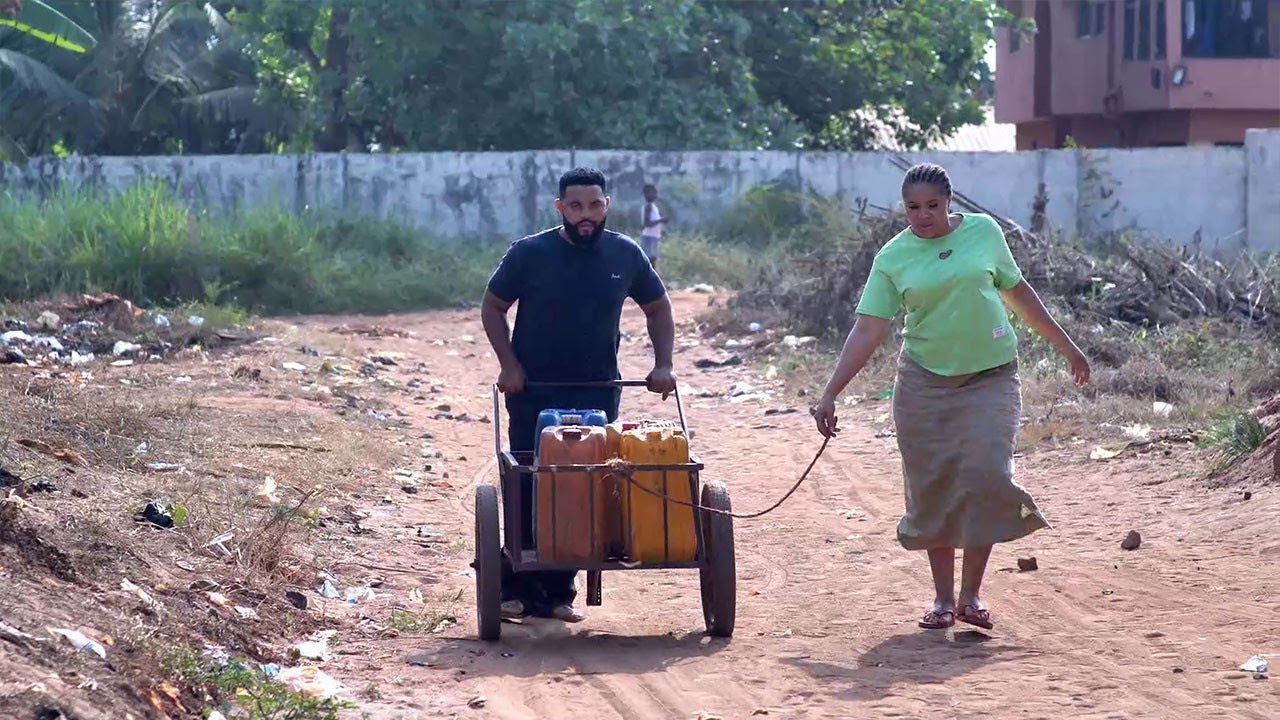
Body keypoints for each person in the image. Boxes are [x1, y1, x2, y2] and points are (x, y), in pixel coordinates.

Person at [811, 163, 1090, 631]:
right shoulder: (893, 257)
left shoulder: (983, 233)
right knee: (933, 485)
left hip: (991, 377)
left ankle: (972, 595)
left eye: (932, 207)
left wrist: (1068, 347)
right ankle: (943, 600)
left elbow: (1018, 292)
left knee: (985, 473)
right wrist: (830, 392)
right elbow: (869, 327)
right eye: (913, 208)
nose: (923, 216)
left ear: (950, 202)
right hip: (924, 384)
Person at [481, 167, 677, 623]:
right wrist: (510, 365)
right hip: (533, 391)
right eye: (575, 207)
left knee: (583, 483)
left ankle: (557, 592)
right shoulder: (529, 254)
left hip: (598, 391)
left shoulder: (625, 254)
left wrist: (663, 364)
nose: (585, 216)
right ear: (560, 209)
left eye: (593, 205)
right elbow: (493, 307)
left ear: (606, 205)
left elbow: (658, 307)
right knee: (529, 479)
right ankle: (514, 585)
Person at [639, 183, 668, 268]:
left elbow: (653, 223)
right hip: (649, 237)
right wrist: (661, 220)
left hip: (653, 237)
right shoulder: (648, 207)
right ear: (647, 194)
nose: (656, 194)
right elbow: (646, 223)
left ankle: (650, 280)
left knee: (652, 260)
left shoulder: (653, 207)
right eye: (654, 192)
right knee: (649, 261)